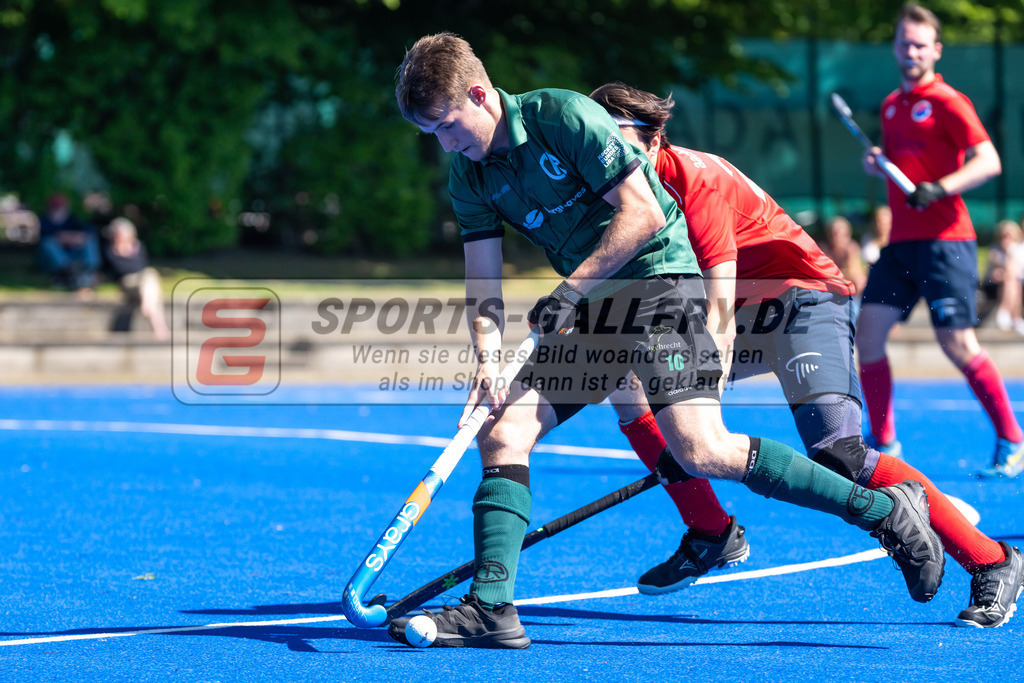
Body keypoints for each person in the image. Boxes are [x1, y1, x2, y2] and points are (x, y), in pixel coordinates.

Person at [386, 32, 945, 649]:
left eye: (446, 125)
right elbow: (482, 283)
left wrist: (571, 290)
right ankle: (492, 607)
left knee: (703, 449)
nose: (445, 143)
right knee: (504, 428)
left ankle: (885, 512)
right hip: (594, 306)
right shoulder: (468, 172)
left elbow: (643, 211)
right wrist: (489, 365)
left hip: (661, 285)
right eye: (431, 133)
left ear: (479, 93)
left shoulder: (564, 115)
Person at [589, 81, 1024, 629]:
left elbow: (718, 312)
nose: (603, 154)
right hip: (748, 309)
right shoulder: (618, 197)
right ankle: (710, 532)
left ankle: (994, 560)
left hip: (801, 300)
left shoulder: (695, 179)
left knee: (838, 454)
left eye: (615, 140)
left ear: (653, 143)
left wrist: (700, 407)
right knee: (628, 381)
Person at [855, 3, 1024, 479]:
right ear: (895, 47)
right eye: (904, 43)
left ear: (936, 50)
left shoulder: (949, 101)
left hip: (946, 241)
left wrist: (943, 186)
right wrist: (879, 162)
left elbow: (989, 161)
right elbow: (903, 159)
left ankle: (1013, 438)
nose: (911, 51)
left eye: (919, 44)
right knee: (867, 336)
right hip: (901, 245)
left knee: (958, 344)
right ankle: (884, 441)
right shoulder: (891, 105)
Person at [104, 217, 170, 340]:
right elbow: (120, 269)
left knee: (149, 276)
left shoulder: (138, 246)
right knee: (150, 281)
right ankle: (159, 328)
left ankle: (148, 306)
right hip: (127, 282)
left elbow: (140, 266)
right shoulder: (111, 250)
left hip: (141, 282)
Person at [36, 193, 101, 297]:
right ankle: (71, 272)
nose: (58, 210)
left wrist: (72, 237)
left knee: (89, 240)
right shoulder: (44, 220)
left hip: (73, 254)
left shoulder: (72, 219)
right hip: (52, 261)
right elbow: (48, 237)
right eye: (56, 207)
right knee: (48, 243)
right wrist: (65, 238)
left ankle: (89, 271)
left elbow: (86, 231)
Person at [981, 219, 1024, 334]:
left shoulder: (1019, 249)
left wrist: (1010, 251)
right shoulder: (995, 249)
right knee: (1012, 282)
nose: (1006, 238)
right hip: (996, 284)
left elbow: (1015, 270)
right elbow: (992, 273)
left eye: (1009, 235)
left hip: (1013, 283)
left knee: (1012, 282)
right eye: (1003, 235)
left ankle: (1004, 311)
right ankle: (1016, 318)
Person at [819, 215, 868, 295]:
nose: (835, 237)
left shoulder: (852, 247)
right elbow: (824, 273)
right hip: (833, 283)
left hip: (849, 285)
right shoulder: (824, 248)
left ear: (847, 235)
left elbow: (854, 273)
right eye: (833, 233)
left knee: (859, 280)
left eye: (838, 234)